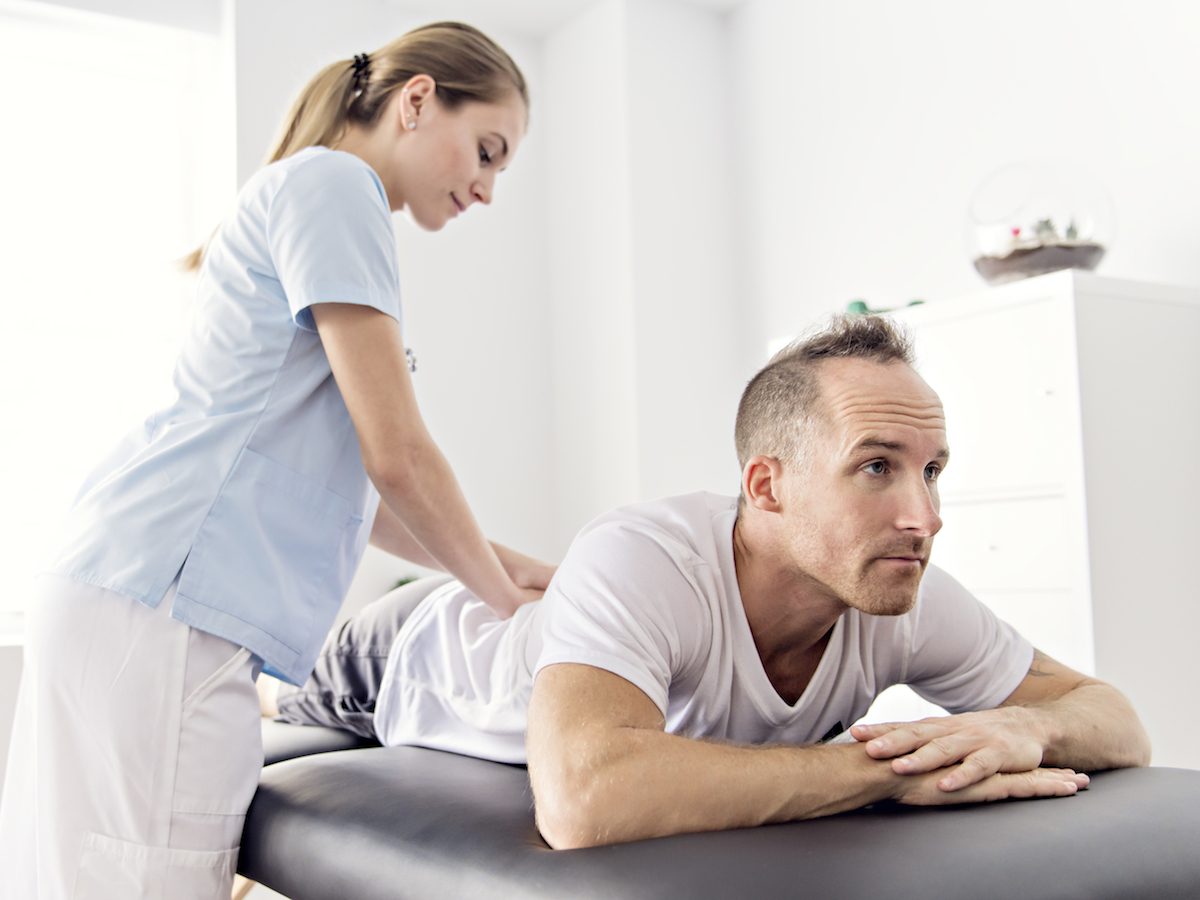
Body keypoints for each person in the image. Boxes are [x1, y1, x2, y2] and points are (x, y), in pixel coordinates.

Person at [0, 22, 553, 900]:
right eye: (487, 150)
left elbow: (358, 494)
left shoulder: (310, 192)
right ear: (417, 99)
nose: (486, 188)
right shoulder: (338, 187)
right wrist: (505, 608)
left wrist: (523, 572)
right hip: (166, 611)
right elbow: (398, 454)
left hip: (132, 592)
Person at [264, 314, 1151, 850]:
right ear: (766, 487)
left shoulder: (900, 590)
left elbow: (1116, 719)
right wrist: (884, 773)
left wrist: (1024, 726)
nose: (925, 518)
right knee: (264, 756)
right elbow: (582, 800)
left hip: (543, 636)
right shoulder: (646, 556)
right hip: (402, 657)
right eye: (877, 468)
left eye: (934, 471)